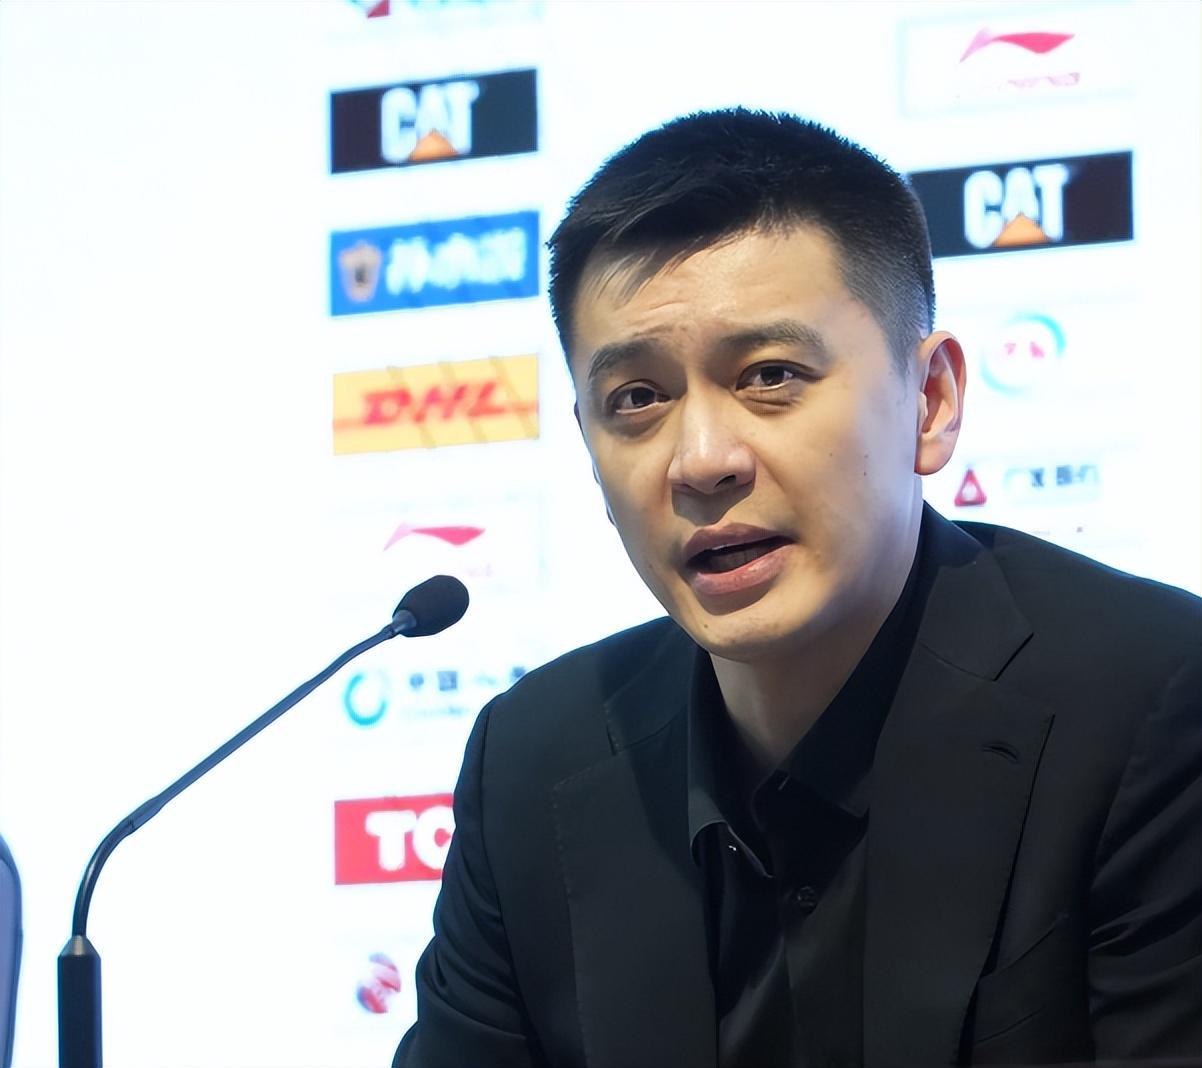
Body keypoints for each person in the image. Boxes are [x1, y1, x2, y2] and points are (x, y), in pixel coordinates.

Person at [392, 109, 1202, 1067]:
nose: (701, 460)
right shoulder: (529, 761)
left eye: (770, 375)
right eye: (637, 400)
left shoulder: (1149, 702)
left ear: (931, 402)